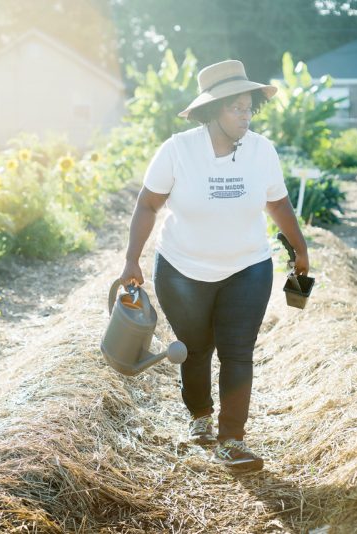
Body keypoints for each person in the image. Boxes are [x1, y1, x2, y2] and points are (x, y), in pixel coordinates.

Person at [119, 59, 309, 470]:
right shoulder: (178, 151)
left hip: (248, 267)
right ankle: (200, 417)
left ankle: (232, 441)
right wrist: (132, 258)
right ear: (212, 110)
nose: (245, 115)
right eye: (235, 108)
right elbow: (148, 204)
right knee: (195, 348)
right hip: (182, 270)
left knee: (238, 352)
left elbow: (278, 203)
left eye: (248, 108)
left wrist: (300, 248)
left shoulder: (261, 150)